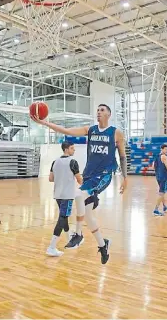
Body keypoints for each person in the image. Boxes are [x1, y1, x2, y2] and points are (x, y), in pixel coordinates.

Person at [31, 104, 127, 264]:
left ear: (109, 114)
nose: (98, 112)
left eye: (102, 110)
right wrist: (46, 123)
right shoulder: (90, 130)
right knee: (88, 215)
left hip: (103, 175)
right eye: (97, 110)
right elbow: (67, 131)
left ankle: (79, 234)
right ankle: (103, 246)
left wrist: (125, 177)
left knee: (78, 195)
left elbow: (123, 157)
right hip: (89, 175)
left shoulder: (116, 133)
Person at [47, 141, 83, 257]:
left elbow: (51, 179)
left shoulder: (54, 162)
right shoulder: (73, 162)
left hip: (57, 194)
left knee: (64, 216)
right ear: (66, 149)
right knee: (62, 218)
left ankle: (69, 238)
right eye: (72, 148)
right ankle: (52, 246)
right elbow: (79, 180)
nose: (74, 150)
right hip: (67, 195)